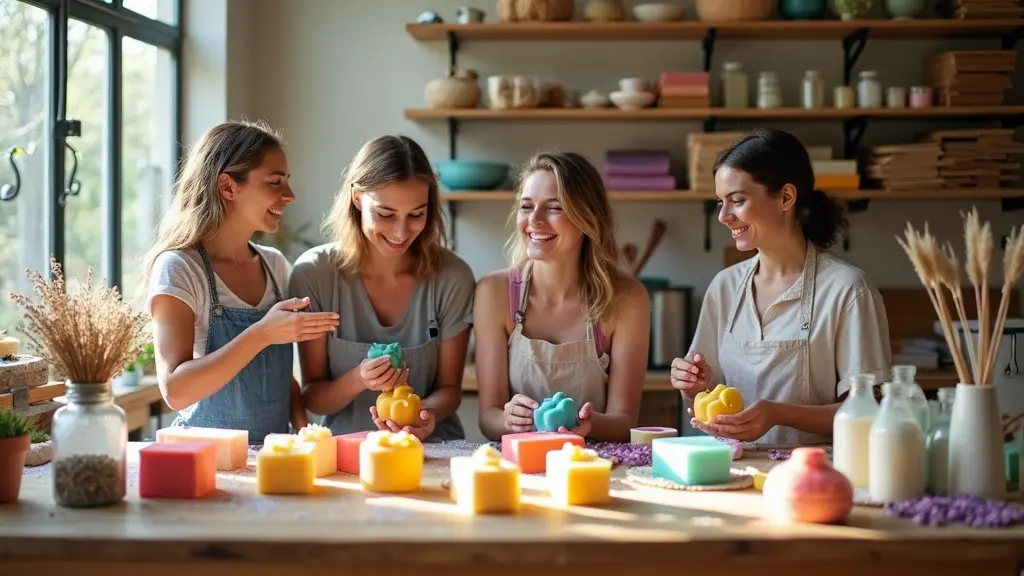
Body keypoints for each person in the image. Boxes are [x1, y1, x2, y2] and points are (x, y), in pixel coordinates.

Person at [670, 128, 891, 446]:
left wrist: (779, 414)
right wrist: (692, 387)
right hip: (735, 476)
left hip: (817, 480)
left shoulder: (849, 290)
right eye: (720, 202)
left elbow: (868, 413)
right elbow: (706, 405)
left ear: (786, 197)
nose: (723, 216)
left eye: (738, 201)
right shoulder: (725, 287)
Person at [145, 120, 339, 441]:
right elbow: (176, 391)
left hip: (275, 460)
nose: (289, 195)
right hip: (207, 463)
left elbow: (276, 377)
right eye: (274, 183)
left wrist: (305, 431)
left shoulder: (275, 265)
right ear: (228, 187)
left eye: (286, 182)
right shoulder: (179, 268)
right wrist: (261, 334)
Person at [290, 135, 474, 441]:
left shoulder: (453, 277)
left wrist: (419, 415)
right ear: (358, 198)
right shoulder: (315, 274)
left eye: (416, 214)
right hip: (344, 453)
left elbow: (450, 391)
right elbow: (312, 396)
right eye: (385, 215)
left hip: (432, 449)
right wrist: (357, 380)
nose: (401, 232)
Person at [473, 152, 650, 442]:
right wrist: (508, 419)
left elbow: (625, 421)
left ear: (588, 219)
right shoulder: (494, 292)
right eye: (526, 206)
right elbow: (488, 417)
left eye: (554, 208)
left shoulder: (627, 299)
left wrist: (586, 424)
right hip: (519, 468)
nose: (535, 220)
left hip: (592, 465)